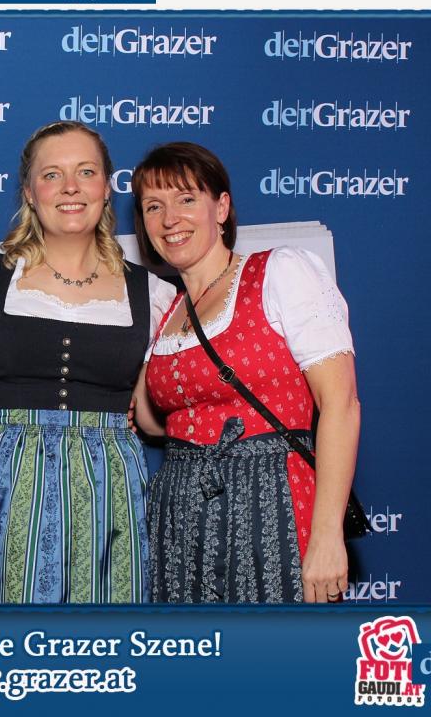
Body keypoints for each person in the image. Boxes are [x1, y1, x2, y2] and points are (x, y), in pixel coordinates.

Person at [132, 142, 360, 604]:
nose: (170, 218)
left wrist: (327, 535)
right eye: (154, 206)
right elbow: (155, 422)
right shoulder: (168, 309)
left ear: (221, 208)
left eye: (186, 199)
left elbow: (341, 405)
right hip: (180, 516)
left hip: (271, 500)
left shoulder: (280, 272)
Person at [0, 121, 176, 603]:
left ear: (107, 187)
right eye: (51, 175)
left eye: (86, 171)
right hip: (6, 480)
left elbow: (167, 401)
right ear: (29, 192)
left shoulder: (154, 293)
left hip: (110, 487)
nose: (70, 187)